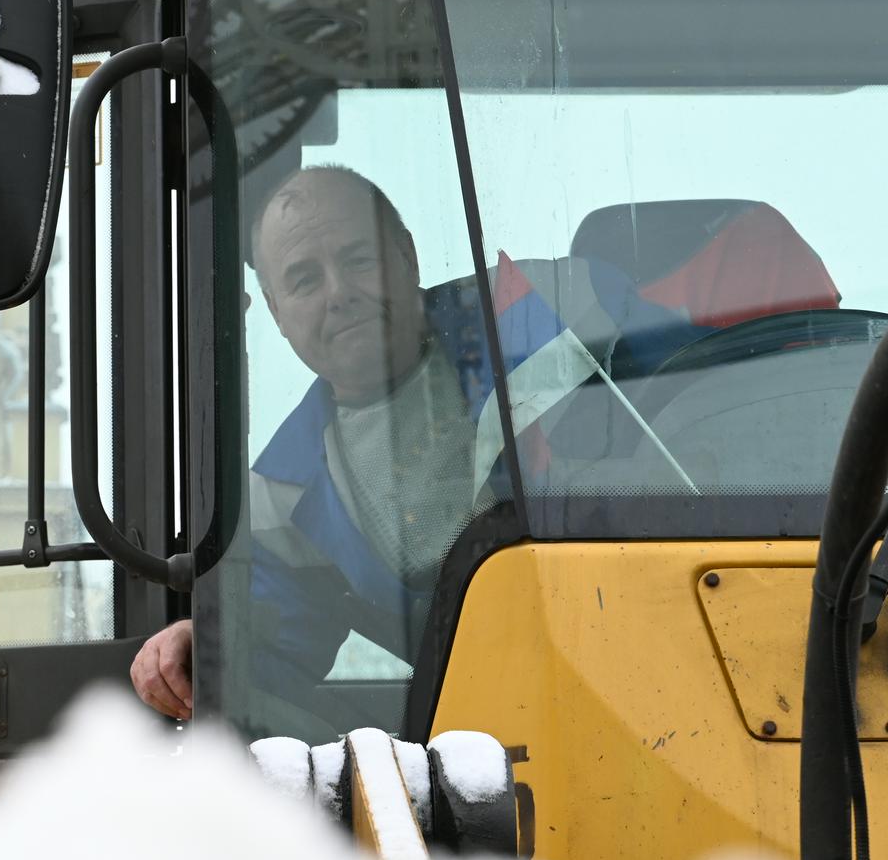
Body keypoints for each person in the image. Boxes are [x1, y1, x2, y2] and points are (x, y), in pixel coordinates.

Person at [130, 166, 706, 723]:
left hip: (698, 651)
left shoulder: (558, 308)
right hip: (516, 733)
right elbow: (273, 642)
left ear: (406, 255)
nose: (339, 293)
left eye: (359, 260)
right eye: (305, 279)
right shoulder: (284, 490)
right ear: (277, 313)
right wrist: (201, 645)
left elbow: (720, 417)